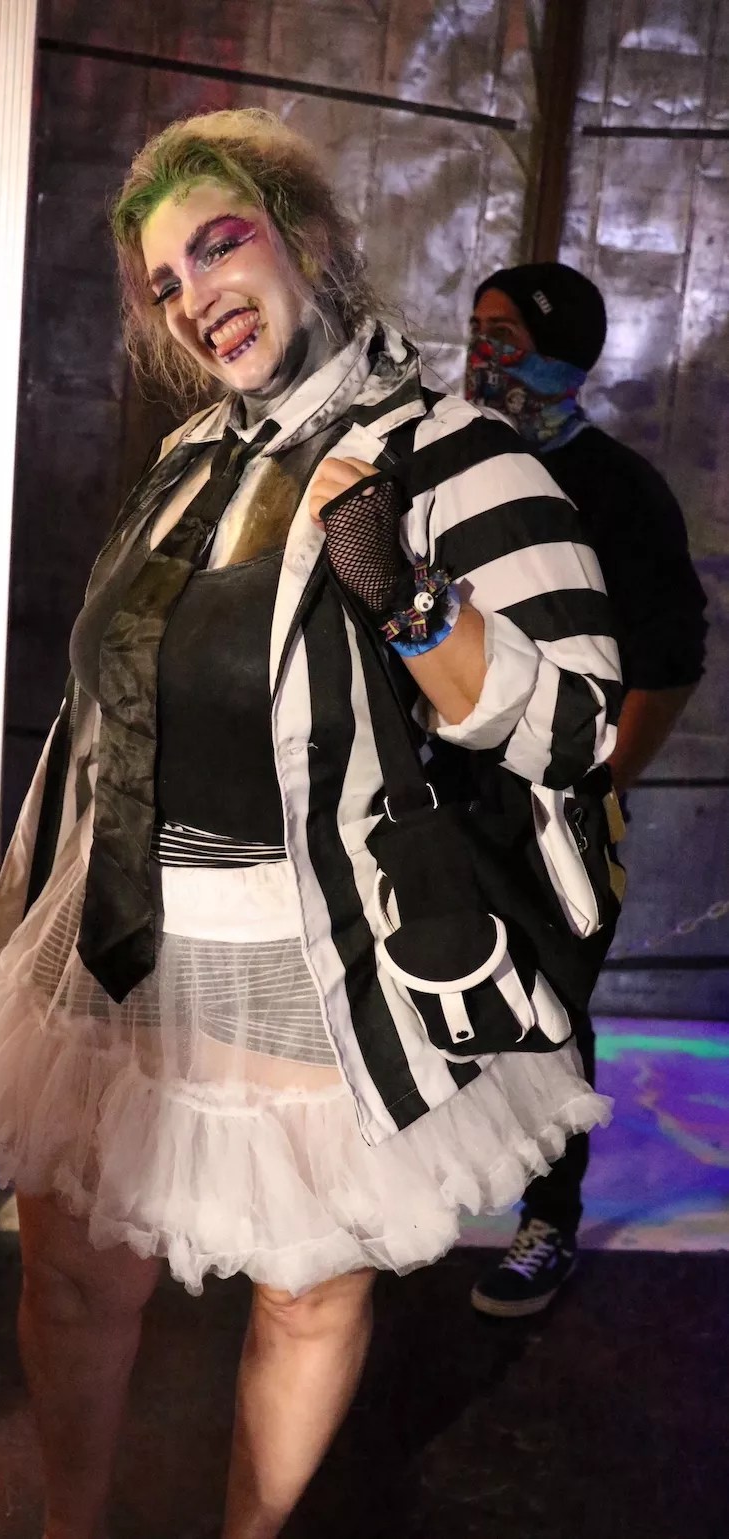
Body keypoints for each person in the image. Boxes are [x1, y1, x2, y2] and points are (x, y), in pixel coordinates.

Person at [0, 112, 620, 1539]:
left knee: (305, 1295)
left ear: (303, 236)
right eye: (163, 281)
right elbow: (104, 711)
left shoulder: (456, 457)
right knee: (73, 1275)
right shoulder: (189, 458)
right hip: (122, 939)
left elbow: (577, 727)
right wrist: (20, 908)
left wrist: (413, 601)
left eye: (218, 243)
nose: (193, 295)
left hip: (317, 958)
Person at [465, 261, 707, 1317]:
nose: (483, 354)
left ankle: (548, 1220)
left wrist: (603, 786)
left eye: (507, 335)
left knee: (551, 1011)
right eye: (477, 329)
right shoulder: (453, 462)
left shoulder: (620, 491)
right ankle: (416, 1195)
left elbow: (672, 657)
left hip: (560, 804)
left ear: (563, 352)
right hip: (442, 794)